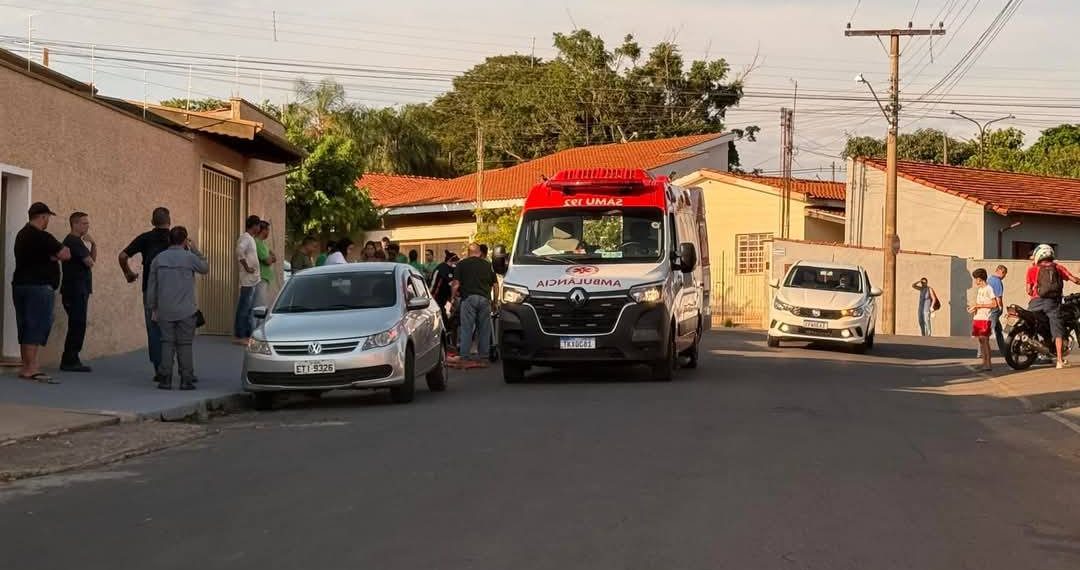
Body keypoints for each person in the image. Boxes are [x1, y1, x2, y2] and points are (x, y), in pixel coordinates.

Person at [13, 202, 71, 383]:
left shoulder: (21, 235)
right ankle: (32, 368)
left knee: (25, 325)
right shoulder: (42, 236)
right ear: (43, 217)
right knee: (36, 325)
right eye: (47, 218)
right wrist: (54, 256)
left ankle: (26, 366)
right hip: (39, 287)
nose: (48, 222)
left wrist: (52, 255)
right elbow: (66, 254)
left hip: (20, 285)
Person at [147, 226, 209, 390]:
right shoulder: (189, 258)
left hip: (165, 310)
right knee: (185, 345)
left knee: (166, 343)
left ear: (169, 239)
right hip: (186, 310)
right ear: (185, 240)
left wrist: (152, 308)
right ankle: (186, 379)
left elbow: (152, 287)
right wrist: (195, 250)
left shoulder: (158, 259)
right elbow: (205, 267)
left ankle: (165, 379)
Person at [120, 206, 173, 376]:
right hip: (173, 293)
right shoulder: (177, 238)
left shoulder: (145, 238)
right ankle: (178, 367)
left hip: (150, 292)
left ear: (152, 222)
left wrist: (128, 273)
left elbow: (122, 256)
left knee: (154, 330)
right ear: (169, 222)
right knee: (173, 329)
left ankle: (159, 369)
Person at [1026, 244, 1080, 369]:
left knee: (1036, 324)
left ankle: (1042, 349)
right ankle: (1060, 360)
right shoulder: (1058, 267)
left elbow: (1028, 290)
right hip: (1052, 303)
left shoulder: (1032, 269)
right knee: (1058, 331)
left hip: (1034, 303)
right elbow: (1074, 279)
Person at [60, 212, 97, 372]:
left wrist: (94, 245)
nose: (87, 226)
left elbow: (91, 261)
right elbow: (89, 262)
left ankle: (71, 358)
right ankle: (70, 360)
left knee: (78, 324)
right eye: (84, 223)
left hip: (79, 289)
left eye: (87, 223)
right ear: (74, 224)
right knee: (77, 324)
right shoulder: (73, 242)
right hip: (75, 290)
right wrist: (92, 246)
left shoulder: (78, 242)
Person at [450, 243, 496, 368]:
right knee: (484, 329)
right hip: (484, 299)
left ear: (469, 253)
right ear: (480, 252)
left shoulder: (462, 264)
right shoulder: (487, 265)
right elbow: (495, 284)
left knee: (466, 329)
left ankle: (465, 357)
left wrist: (452, 298)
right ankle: (484, 358)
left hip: (468, 299)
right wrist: (494, 301)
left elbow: (456, 284)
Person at [234, 215, 262, 345]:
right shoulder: (245, 237)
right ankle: (240, 335)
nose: (259, 228)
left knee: (249, 308)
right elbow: (239, 251)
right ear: (254, 226)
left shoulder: (251, 239)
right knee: (244, 307)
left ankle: (246, 334)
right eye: (258, 225)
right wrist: (247, 267)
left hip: (252, 280)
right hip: (247, 279)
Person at [968, 268, 998, 372]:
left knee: (985, 340)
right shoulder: (980, 290)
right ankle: (983, 362)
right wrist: (974, 308)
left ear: (980, 279)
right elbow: (979, 304)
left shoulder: (989, 288)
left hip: (985, 318)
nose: (975, 281)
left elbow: (994, 304)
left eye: (976, 279)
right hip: (978, 317)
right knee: (981, 341)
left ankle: (988, 364)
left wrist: (980, 305)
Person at [431, 251, 458, 326]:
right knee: (441, 314)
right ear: (450, 261)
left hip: (443, 297)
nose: (456, 265)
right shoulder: (442, 268)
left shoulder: (450, 269)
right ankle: (446, 328)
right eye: (455, 262)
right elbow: (451, 283)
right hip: (435, 296)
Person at [986, 265, 1008, 356]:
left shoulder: (989, 279)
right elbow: (998, 297)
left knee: (998, 330)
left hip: (988, 307)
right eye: (1005, 274)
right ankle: (981, 352)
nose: (1004, 276)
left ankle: (1003, 350)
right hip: (994, 309)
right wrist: (1001, 307)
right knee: (988, 330)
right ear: (1001, 272)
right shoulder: (998, 281)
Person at [255, 220, 277, 308]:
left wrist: (271, 258)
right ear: (263, 230)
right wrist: (271, 258)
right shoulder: (257, 242)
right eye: (267, 230)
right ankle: (258, 322)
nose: (268, 232)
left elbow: (273, 256)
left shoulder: (263, 243)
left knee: (263, 304)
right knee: (260, 305)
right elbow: (268, 260)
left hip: (265, 278)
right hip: (260, 278)